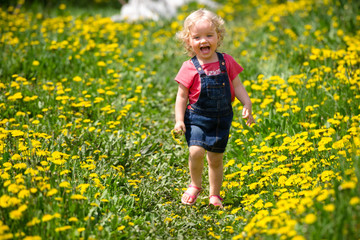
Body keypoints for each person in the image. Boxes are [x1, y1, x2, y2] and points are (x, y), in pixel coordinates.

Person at [173, 9, 255, 208]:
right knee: (195, 151)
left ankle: (214, 195)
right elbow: (181, 96)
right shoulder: (189, 67)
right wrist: (179, 120)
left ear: (218, 36)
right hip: (197, 117)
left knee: (216, 159)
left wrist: (247, 103)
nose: (203, 41)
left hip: (221, 119)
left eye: (209, 35)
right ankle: (195, 185)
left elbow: (237, 85)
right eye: (197, 37)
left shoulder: (226, 61)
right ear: (188, 42)